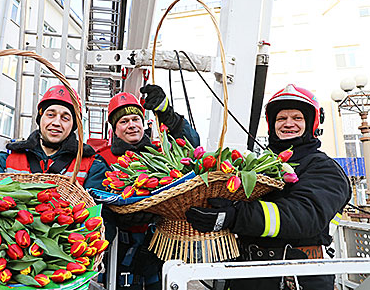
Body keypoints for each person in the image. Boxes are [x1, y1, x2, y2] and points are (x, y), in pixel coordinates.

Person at [185, 84, 351, 290]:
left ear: (312, 124)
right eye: (281, 119)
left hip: (296, 278)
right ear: (272, 125)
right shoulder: (257, 165)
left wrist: (236, 216)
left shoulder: (323, 167)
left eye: (297, 118)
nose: (288, 123)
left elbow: (306, 215)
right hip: (248, 275)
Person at [96, 85, 200, 290]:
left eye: (136, 120)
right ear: (114, 130)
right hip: (121, 251)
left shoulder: (161, 152)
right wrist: (116, 215)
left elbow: (192, 145)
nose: (132, 125)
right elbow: (95, 199)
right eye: (124, 122)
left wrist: (167, 113)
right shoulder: (103, 159)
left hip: (160, 246)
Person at [0, 85, 109, 190]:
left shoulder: (92, 166)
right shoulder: (5, 161)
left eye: (65, 117)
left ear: (73, 125)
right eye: (51, 114)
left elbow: (96, 212)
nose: (56, 122)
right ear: (40, 119)